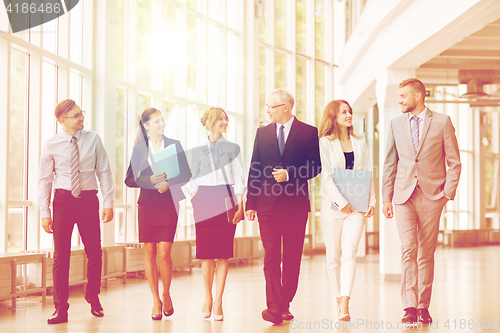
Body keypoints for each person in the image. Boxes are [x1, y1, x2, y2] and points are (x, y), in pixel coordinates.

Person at [382, 78, 461, 324]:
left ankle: (423, 305)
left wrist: (447, 193)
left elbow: (454, 162)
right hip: (403, 196)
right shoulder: (395, 124)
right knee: (408, 249)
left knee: (426, 252)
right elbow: (389, 163)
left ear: (418, 96)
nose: (400, 100)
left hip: (432, 196)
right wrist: (386, 197)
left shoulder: (442, 122)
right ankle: (408, 306)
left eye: (403, 95)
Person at [246, 89, 321, 324]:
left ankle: (284, 303)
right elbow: (255, 168)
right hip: (267, 206)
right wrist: (251, 202)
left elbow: (315, 167)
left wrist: (290, 174)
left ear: (285, 107)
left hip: (295, 207)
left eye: (270, 106)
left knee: (291, 257)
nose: (267, 110)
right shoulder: (262, 133)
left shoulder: (308, 132)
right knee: (270, 257)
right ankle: (274, 307)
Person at [38, 99, 115, 324]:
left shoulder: (93, 139)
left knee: (94, 251)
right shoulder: (51, 144)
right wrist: (45, 211)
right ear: (62, 120)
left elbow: (104, 171)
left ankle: (93, 296)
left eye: (82, 114)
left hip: (88, 200)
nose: (82, 118)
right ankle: (60, 309)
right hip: (62, 201)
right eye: (76, 115)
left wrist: (108, 202)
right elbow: (44, 179)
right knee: (61, 255)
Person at [125, 108, 191, 320]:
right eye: (156, 121)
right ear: (146, 126)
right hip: (147, 205)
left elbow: (187, 173)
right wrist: (150, 181)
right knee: (150, 252)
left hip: (168, 203)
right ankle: (155, 300)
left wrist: (169, 183)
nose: (162, 124)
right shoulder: (139, 150)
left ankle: (166, 293)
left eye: (162, 120)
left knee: (164, 253)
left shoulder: (174, 144)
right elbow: (129, 180)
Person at [317, 100, 376, 321]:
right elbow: (326, 176)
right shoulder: (325, 143)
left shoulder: (360, 142)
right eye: (344, 112)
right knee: (333, 255)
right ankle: (336, 297)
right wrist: (342, 202)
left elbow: (368, 171)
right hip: (332, 206)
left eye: (349, 111)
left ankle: (345, 302)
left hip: (357, 207)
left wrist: (371, 201)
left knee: (350, 252)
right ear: (333, 116)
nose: (349, 114)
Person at [188, 107, 245, 321]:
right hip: (203, 198)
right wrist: (194, 195)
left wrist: (240, 205)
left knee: (222, 253)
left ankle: (219, 300)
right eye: (220, 119)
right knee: (206, 253)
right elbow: (191, 177)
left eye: (226, 119)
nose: (225, 122)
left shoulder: (232, 149)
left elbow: (239, 178)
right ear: (210, 122)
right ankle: (207, 297)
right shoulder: (197, 150)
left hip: (226, 198)